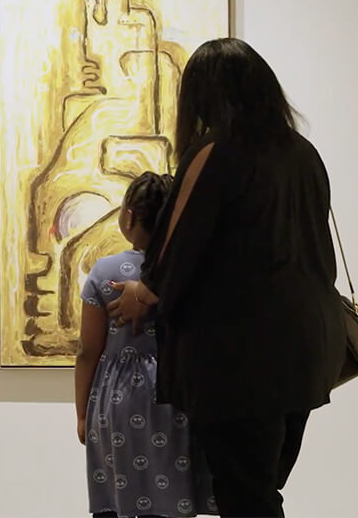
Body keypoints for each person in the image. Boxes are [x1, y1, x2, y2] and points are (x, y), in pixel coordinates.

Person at [106, 38, 347, 518]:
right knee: (261, 487)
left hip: (241, 356)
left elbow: (180, 240)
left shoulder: (214, 152)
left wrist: (145, 292)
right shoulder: (303, 153)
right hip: (307, 348)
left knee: (244, 495)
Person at [75, 171, 217, 518]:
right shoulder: (185, 271)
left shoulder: (105, 272)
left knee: (117, 499)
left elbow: (87, 351)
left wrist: (82, 414)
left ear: (127, 217)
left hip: (118, 401)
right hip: (175, 396)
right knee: (170, 502)